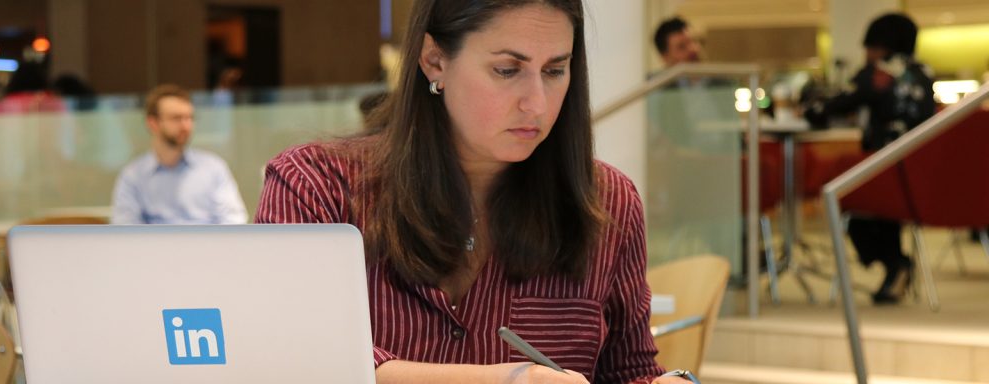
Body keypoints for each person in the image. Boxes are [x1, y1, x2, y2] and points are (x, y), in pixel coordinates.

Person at [255, 1, 692, 383]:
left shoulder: (608, 201)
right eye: (507, 70)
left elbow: (629, 370)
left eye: (555, 70)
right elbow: (294, 360)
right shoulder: (315, 184)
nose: (537, 103)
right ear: (434, 61)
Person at [805, 13, 935, 304]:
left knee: (845, 196)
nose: (866, 53)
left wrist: (809, 110)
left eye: (869, 46)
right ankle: (896, 266)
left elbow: (830, 105)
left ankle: (895, 263)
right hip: (920, 178)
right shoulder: (924, 73)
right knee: (874, 204)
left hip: (883, 171)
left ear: (881, 46)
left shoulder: (879, 74)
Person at [111, 84, 247, 224]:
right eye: (176, 118)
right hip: (155, 245)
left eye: (189, 118)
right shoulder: (133, 176)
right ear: (153, 123)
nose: (186, 126)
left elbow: (234, 220)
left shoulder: (214, 168)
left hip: (208, 244)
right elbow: (125, 229)